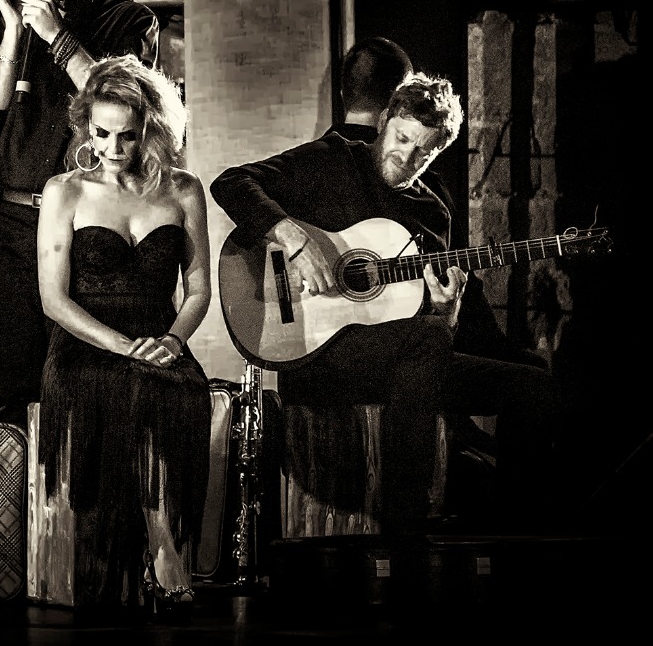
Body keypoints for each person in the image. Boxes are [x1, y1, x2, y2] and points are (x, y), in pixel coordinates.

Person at [210, 73, 558, 533]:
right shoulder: (332, 160)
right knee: (426, 342)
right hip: (318, 353)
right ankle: (403, 522)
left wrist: (446, 310)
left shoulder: (432, 214)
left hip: (399, 364)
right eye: (402, 138)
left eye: (424, 151)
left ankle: (515, 532)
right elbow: (231, 182)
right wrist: (294, 239)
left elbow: (433, 330)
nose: (407, 157)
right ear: (385, 121)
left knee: (532, 385)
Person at [0, 0, 160, 428]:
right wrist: (13, 31)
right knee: (7, 390)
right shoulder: (23, 22)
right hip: (7, 223)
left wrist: (56, 35)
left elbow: (118, 103)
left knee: (78, 382)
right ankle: (11, 480)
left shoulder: (129, 20)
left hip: (83, 225)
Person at [36, 54, 212, 612]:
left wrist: (174, 340)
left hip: (159, 339)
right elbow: (53, 300)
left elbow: (198, 290)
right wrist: (120, 345)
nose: (112, 148)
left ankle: (163, 544)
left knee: (183, 390)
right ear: (85, 126)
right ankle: (160, 551)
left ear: (151, 131)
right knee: (131, 386)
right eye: (101, 133)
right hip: (85, 340)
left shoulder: (184, 191)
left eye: (127, 136)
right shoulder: (65, 190)